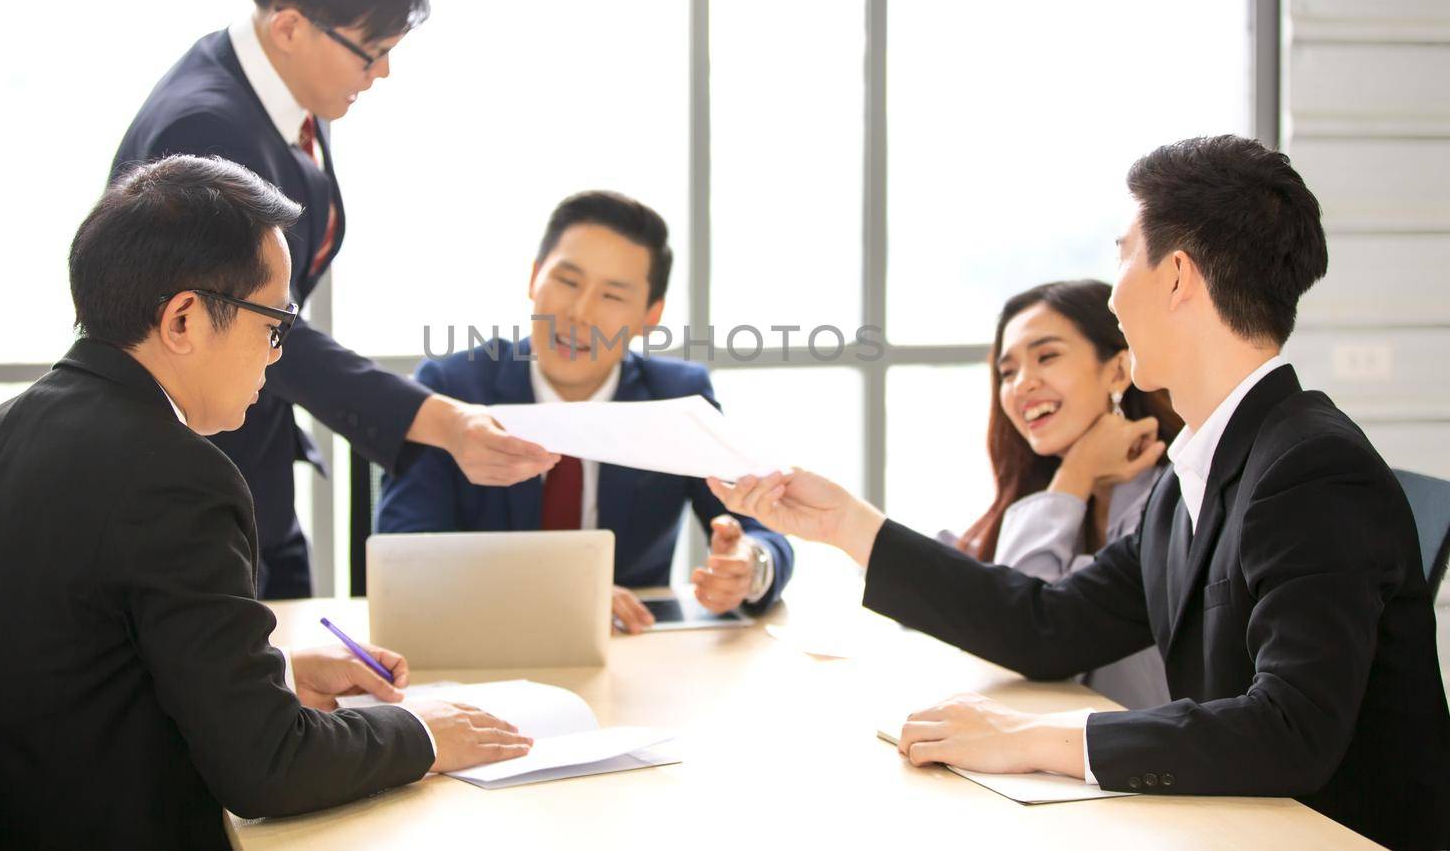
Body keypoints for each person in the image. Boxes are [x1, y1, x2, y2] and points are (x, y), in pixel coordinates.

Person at [708, 136, 1450, 851]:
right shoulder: (1194, 472)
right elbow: (1048, 623)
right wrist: (849, 524)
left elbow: (1291, 729)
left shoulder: (1310, 467)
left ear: (1178, 277)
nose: (1116, 291)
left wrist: (1036, 740)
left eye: (1123, 253)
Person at [0, 156, 531, 850]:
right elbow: (268, 769)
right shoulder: (174, 477)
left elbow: (80, 674)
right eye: (274, 323)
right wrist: (423, 733)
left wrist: (279, 677)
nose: (274, 356)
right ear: (183, 319)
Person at [112, 0, 554, 598]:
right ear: (288, 26)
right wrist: (441, 421)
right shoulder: (208, 125)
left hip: (251, 452)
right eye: (370, 52)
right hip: (193, 474)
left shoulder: (271, 93)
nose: (380, 74)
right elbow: (250, 317)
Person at [377, 191, 794, 630]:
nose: (579, 314)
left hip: (630, 652)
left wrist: (750, 566)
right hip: (481, 640)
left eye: (612, 296)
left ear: (650, 315)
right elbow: (405, 548)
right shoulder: (453, 389)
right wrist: (561, 591)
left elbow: (763, 526)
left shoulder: (674, 397)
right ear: (535, 278)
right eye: (568, 282)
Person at [943, 279, 1180, 708]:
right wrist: (1076, 473)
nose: (1021, 385)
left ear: (1118, 371)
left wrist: (1079, 468)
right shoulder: (1050, 497)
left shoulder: (1170, 504)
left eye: (1047, 357)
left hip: (1150, 769)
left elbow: (1020, 638)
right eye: (1008, 372)